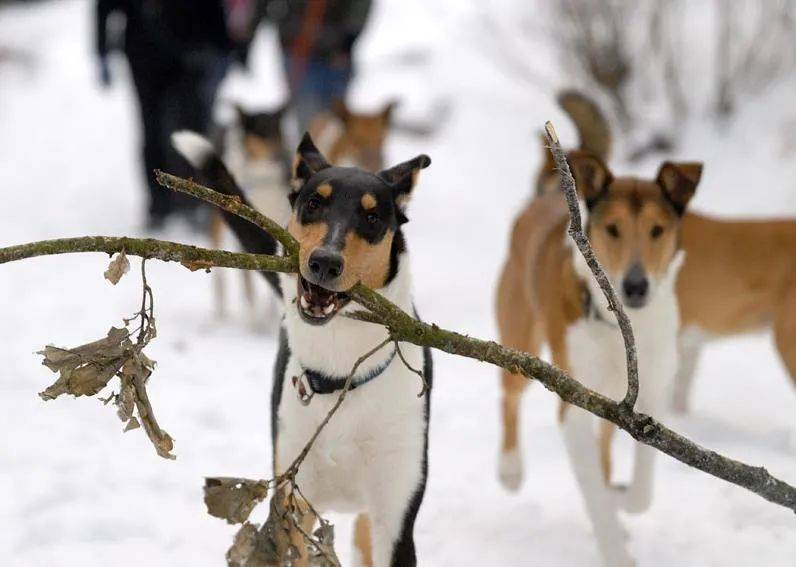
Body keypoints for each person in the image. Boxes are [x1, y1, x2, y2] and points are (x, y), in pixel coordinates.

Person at [96, 0, 234, 229]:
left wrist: (224, 45)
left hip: (191, 51)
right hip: (144, 52)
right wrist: (101, 49)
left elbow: (213, 7)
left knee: (191, 129)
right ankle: (159, 203)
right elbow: (105, 5)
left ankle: (194, 198)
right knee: (152, 130)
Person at [261, 0, 372, 138]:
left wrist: (346, 42)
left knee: (333, 125)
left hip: (334, 55)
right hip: (298, 51)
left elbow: (359, 9)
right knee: (307, 122)